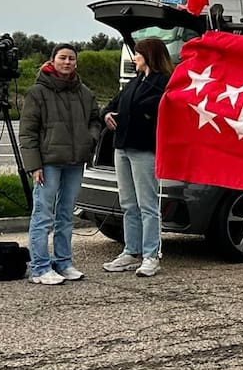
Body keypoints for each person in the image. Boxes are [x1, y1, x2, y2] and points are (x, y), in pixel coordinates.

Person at [19, 44, 102, 285]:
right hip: (48, 163)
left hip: (75, 163)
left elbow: (95, 119)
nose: (67, 62)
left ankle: (63, 262)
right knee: (43, 215)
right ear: (53, 60)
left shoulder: (84, 92)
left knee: (65, 215)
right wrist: (34, 165)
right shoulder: (38, 93)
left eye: (71, 58)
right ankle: (40, 267)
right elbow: (28, 132)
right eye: (62, 58)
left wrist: (90, 140)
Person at [100, 37, 173, 277]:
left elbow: (157, 111)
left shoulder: (164, 82)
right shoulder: (134, 82)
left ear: (149, 56)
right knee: (128, 203)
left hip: (144, 149)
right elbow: (113, 104)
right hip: (122, 148)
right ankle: (131, 251)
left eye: (138, 54)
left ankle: (151, 255)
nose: (134, 58)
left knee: (147, 205)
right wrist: (107, 113)